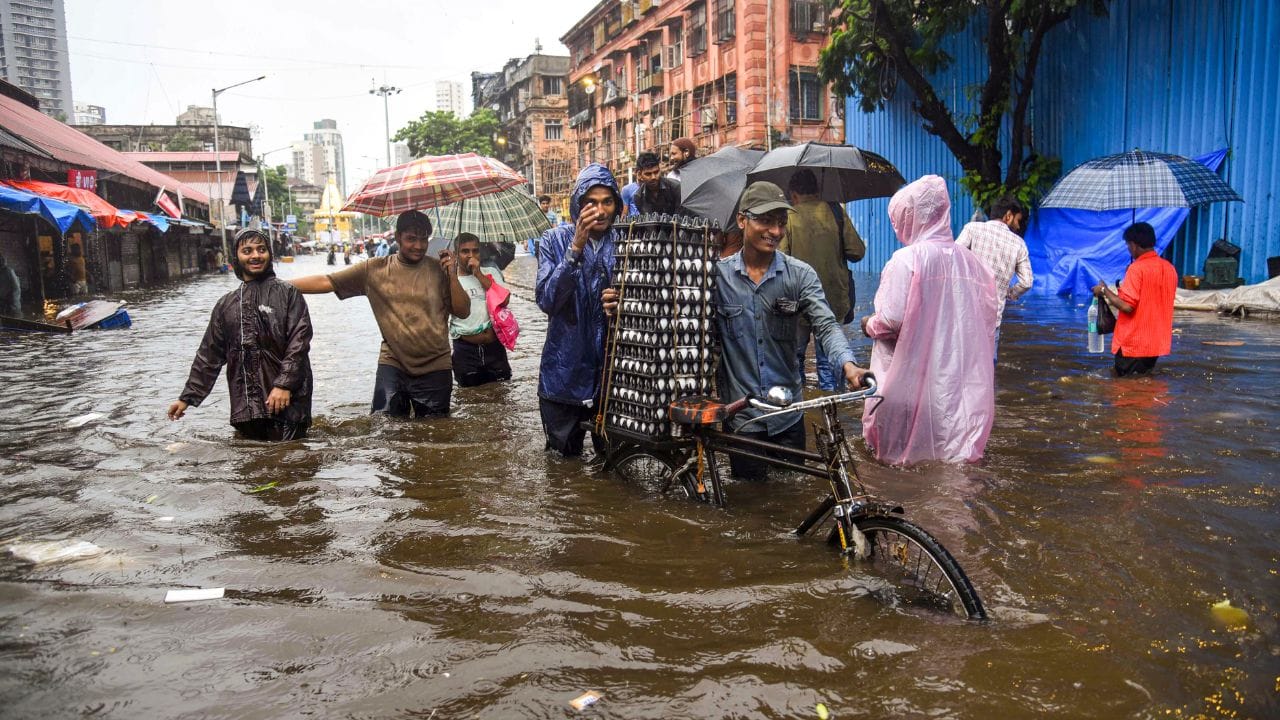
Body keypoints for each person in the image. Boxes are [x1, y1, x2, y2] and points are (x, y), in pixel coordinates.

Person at [715, 181, 870, 480]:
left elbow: (826, 325)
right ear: (742, 220)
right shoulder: (717, 277)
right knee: (748, 507)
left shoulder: (800, 274)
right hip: (742, 419)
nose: (775, 231)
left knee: (791, 499)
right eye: (765, 220)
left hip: (787, 416)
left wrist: (849, 366)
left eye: (781, 222)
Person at [860, 175, 998, 465]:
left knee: (901, 461)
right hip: (957, 378)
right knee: (952, 457)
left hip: (909, 378)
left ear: (910, 218)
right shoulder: (972, 263)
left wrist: (868, 324)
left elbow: (890, 321)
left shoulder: (906, 259)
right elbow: (987, 317)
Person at [291, 210, 470, 417]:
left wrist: (453, 276)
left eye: (423, 239)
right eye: (411, 239)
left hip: (436, 365)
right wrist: (277, 285)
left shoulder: (440, 270)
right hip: (393, 363)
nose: (419, 246)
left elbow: (463, 312)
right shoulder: (374, 270)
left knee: (434, 432)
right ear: (397, 237)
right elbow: (327, 281)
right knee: (383, 428)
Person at [167, 229, 313, 441]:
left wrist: (284, 385)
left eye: (261, 250)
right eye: (247, 250)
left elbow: (299, 343)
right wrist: (187, 398)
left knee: (291, 461)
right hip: (245, 406)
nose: (255, 255)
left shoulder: (288, 293)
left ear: (269, 254)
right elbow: (209, 356)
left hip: (288, 403)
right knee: (250, 465)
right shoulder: (226, 305)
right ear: (236, 257)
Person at [536, 163, 622, 457]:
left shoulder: (626, 242)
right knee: (562, 468)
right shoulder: (553, 240)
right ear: (578, 205)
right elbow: (547, 300)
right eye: (591, 203)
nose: (600, 211)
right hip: (563, 378)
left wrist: (625, 303)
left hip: (611, 379)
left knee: (613, 465)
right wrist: (575, 250)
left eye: (607, 202)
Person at [779, 168, 866, 390]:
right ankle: (832, 410)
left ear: (794, 194)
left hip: (797, 302)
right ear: (817, 190)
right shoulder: (835, 211)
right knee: (830, 359)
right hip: (833, 299)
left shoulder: (788, 216)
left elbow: (780, 260)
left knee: (795, 359)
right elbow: (857, 252)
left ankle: (798, 409)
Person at [1091, 222, 1177, 377]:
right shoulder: (1169, 268)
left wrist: (1103, 290)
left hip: (1134, 343)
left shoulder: (1137, 269)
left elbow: (1127, 307)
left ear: (1134, 245)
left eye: (1128, 245)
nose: (1128, 249)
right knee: (1142, 386)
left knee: (1124, 390)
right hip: (1155, 343)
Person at [955, 195, 1033, 351]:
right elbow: (1027, 282)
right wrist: (1009, 293)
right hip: (992, 319)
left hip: (963, 313)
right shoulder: (1018, 244)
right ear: (1008, 216)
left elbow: (953, 257)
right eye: (1017, 220)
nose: (1018, 226)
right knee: (987, 369)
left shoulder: (972, 228)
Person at [450, 232, 512, 387]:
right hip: (466, 351)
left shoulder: (491, 271)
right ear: (456, 254)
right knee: (470, 400)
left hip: (495, 348)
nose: (471, 255)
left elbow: (504, 301)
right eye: (465, 251)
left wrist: (478, 274)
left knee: (502, 395)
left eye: (475, 250)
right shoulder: (451, 280)